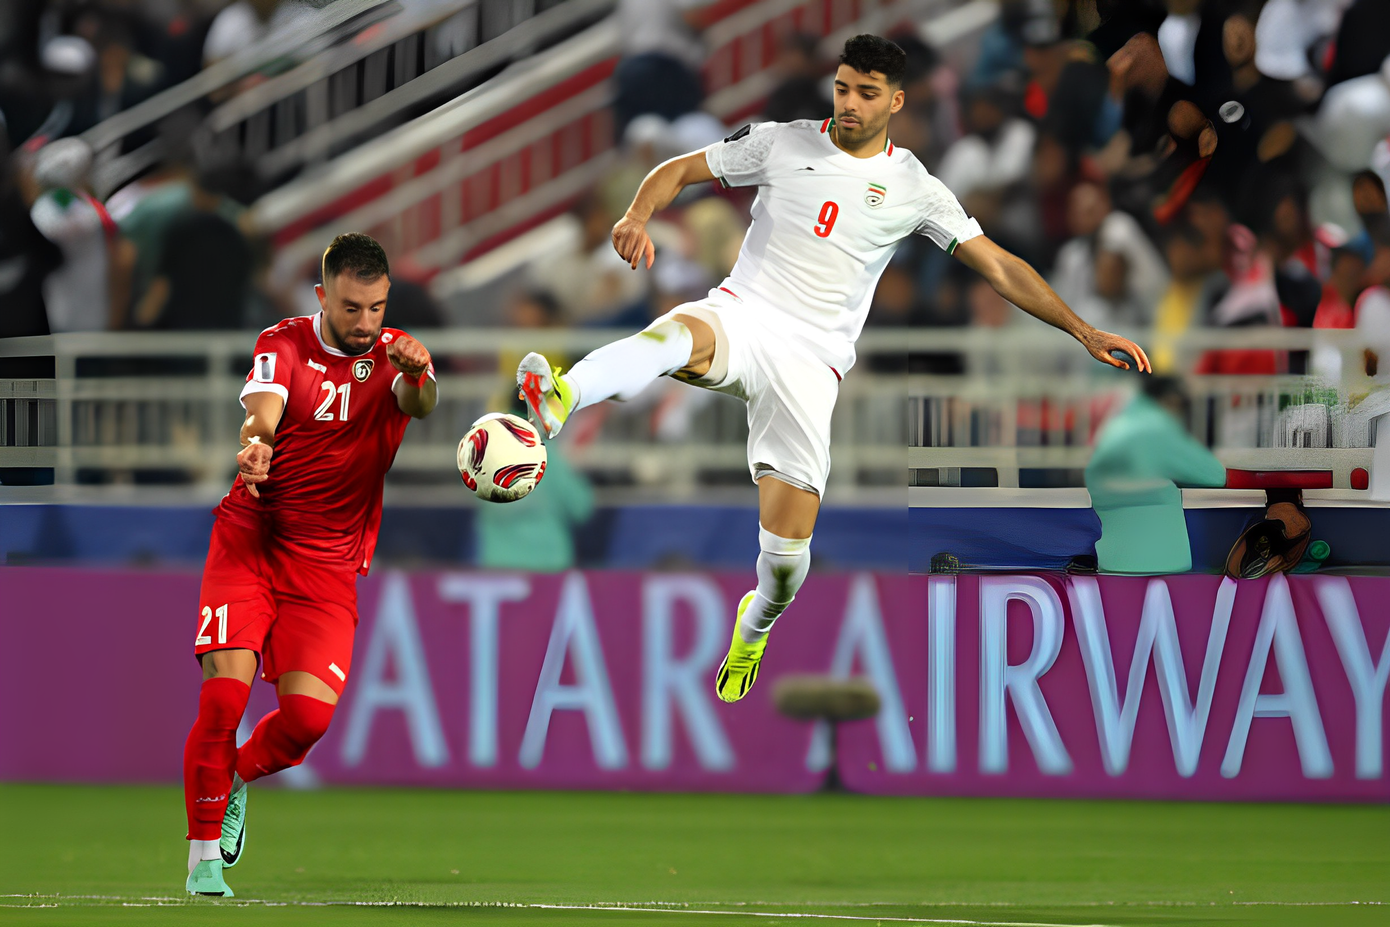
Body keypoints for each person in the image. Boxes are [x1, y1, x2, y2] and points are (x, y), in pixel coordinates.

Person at [515, 35, 1150, 704]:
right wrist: (637, 214)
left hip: (811, 364)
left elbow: (998, 265)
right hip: (744, 314)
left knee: (786, 565)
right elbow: (678, 169)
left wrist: (1082, 328)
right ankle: (562, 392)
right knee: (672, 336)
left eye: (866, 93)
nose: (849, 102)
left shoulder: (914, 186)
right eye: (843, 87)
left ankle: (755, 623)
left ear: (896, 102)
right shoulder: (781, 142)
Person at [180, 233, 437, 897]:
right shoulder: (284, 341)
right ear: (323, 296)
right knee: (223, 699)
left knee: (307, 722)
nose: (366, 323)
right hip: (253, 538)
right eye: (352, 308)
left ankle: (231, 775)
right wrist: (257, 445)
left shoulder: (398, 355)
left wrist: (415, 372)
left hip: (327, 561)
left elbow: (420, 404)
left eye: (377, 308)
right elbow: (261, 410)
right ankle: (202, 857)